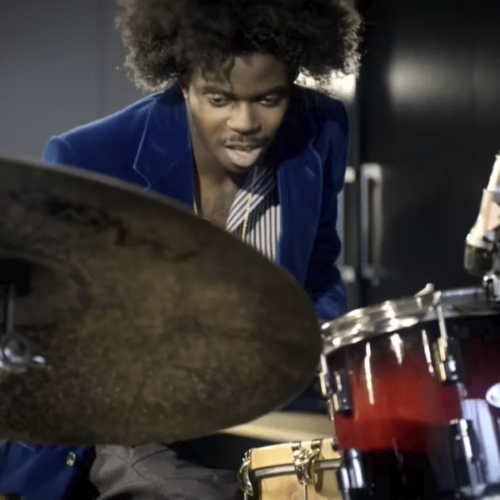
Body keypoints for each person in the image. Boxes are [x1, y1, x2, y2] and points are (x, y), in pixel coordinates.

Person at [0, 0, 361, 498]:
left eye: (268, 98)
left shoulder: (322, 127)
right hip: (132, 414)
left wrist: (312, 341)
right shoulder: (90, 155)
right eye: (220, 98)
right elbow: (53, 333)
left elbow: (319, 271)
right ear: (184, 82)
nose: (245, 122)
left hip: (265, 401)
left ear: (294, 78)